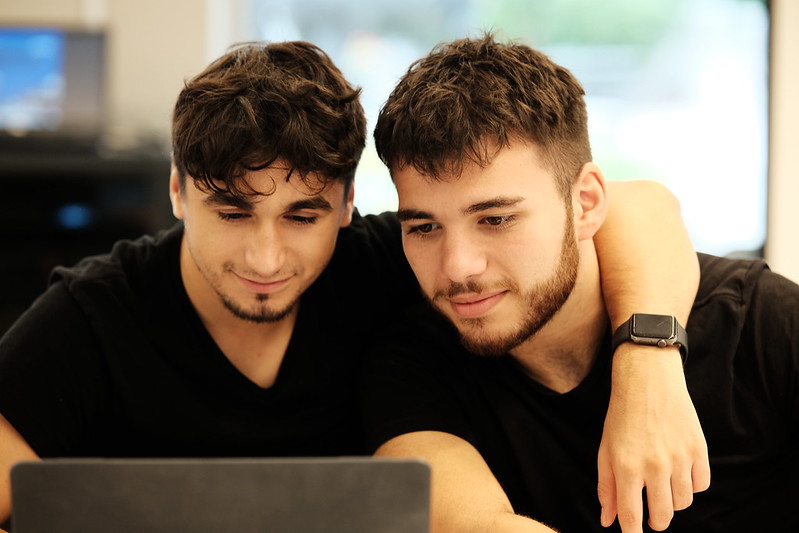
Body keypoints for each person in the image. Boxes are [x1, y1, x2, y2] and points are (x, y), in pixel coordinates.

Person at [0, 40, 704, 530]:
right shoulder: (90, 316)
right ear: (179, 193)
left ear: (343, 204)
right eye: (233, 211)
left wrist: (646, 366)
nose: (267, 255)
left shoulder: (389, 259)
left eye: (302, 214)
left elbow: (635, 205)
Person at [363, 33, 799, 533]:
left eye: (497, 219)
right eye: (424, 227)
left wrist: (647, 358)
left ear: (586, 203)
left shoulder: (762, 325)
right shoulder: (412, 363)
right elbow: (470, 523)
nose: (458, 267)